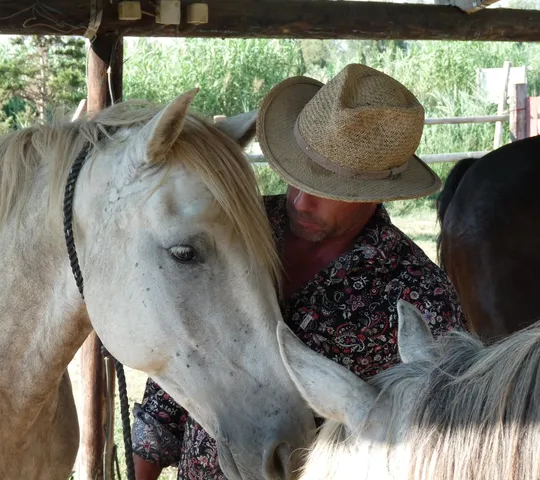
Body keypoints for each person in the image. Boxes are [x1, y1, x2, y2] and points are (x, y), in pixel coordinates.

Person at [131, 63, 467, 480]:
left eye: (327, 190)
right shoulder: (234, 231)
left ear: (377, 192)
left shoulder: (421, 298)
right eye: (294, 176)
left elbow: (435, 446)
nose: (301, 202)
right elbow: (184, 347)